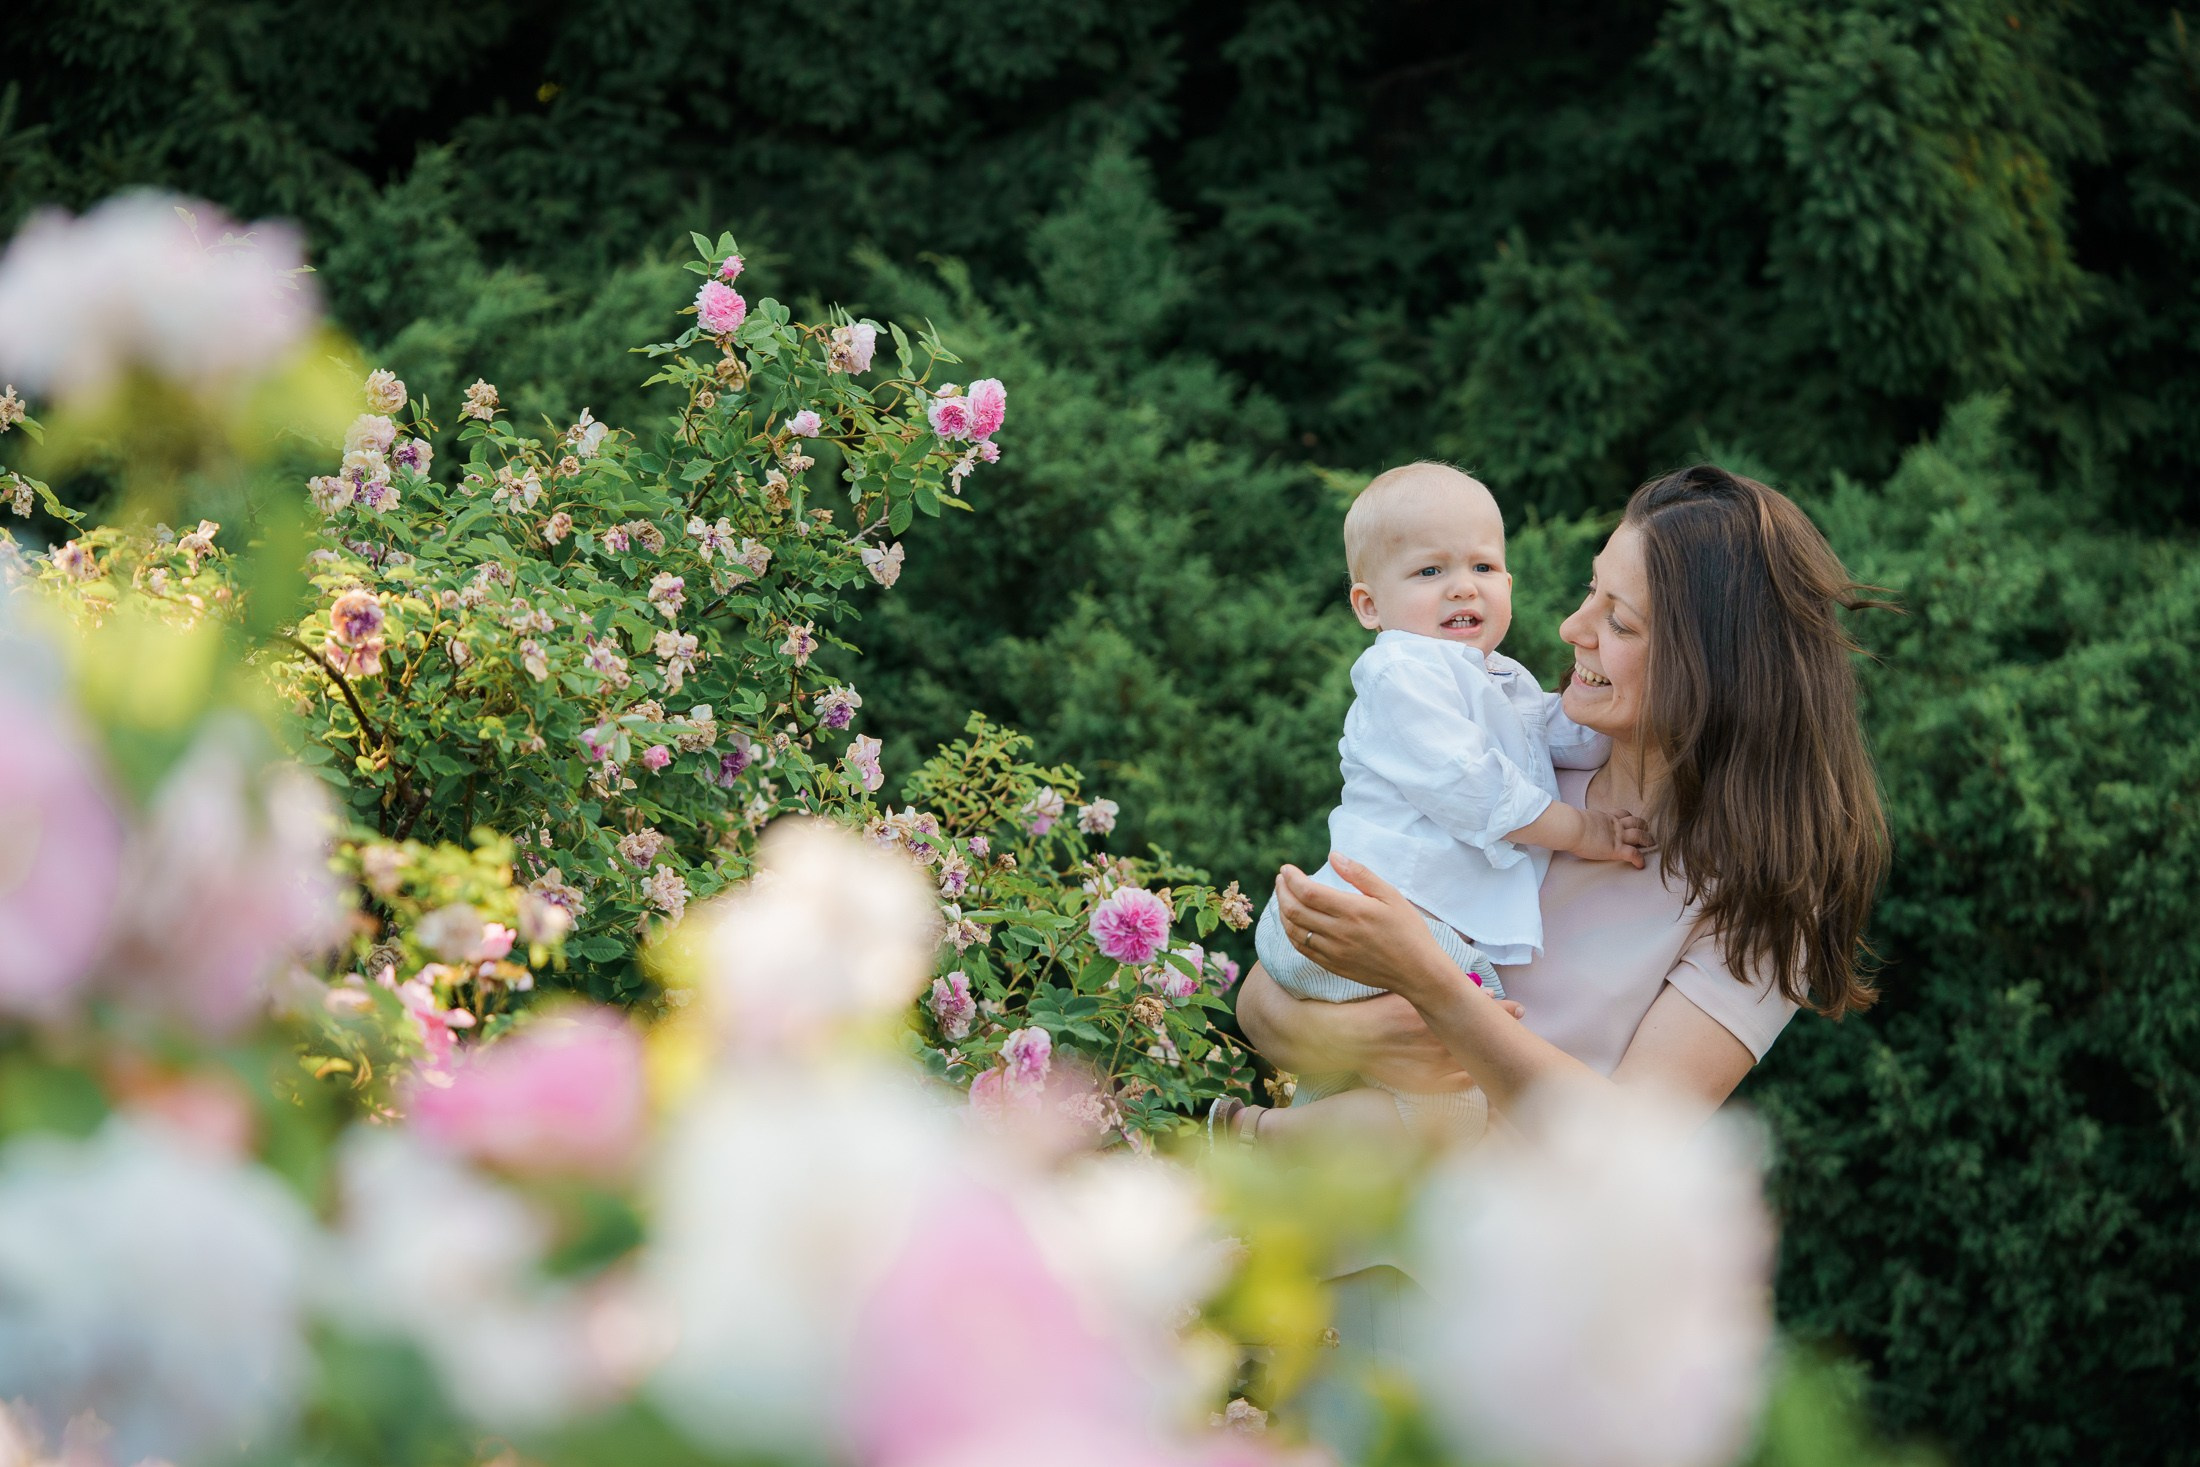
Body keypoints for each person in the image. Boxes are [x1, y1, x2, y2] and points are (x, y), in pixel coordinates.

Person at [1235, 463, 1889, 1139]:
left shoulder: (1763, 899)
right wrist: (1359, 1036)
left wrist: (1434, 987)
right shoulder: (1512, 762)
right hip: (1334, 1226)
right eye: (1590, 590)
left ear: (1716, 666)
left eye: (1620, 620)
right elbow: (1262, 997)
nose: (1571, 628)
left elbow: (1633, 1152)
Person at [1236, 462, 1649, 1149]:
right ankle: (1263, 1136)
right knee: (1467, 1085)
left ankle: (1275, 1149)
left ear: (1508, 585)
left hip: (1396, 929)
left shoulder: (1500, 678)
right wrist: (1584, 830)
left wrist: (1629, 717)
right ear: (1369, 606)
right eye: (1430, 572)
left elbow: (1564, 735)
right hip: (1353, 916)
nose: (1463, 585)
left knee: (1425, 1093)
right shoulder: (1401, 672)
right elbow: (1473, 786)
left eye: (1484, 565)